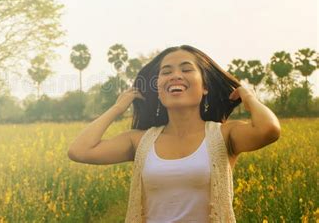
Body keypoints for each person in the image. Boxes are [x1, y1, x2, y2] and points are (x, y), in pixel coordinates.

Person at [67, 45, 281, 222]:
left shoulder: (224, 135)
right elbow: (79, 151)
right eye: (166, 72)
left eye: (186, 69)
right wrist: (117, 109)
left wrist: (249, 97)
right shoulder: (140, 140)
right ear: (159, 90)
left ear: (205, 86)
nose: (175, 76)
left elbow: (269, 130)